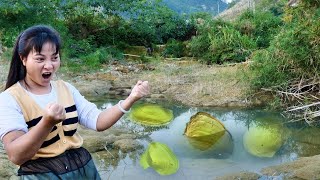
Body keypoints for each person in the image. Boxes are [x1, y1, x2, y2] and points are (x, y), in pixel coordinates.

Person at [0, 25, 150, 179]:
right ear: (23, 58)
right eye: (40, 59)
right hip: (42, 175)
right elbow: (16, 155)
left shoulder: (66, 88)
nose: (49, 65)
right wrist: (47, 122)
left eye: (54, 57)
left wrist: (131, 98)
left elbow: (98, 121)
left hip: (82, 169)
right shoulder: (9, 99)